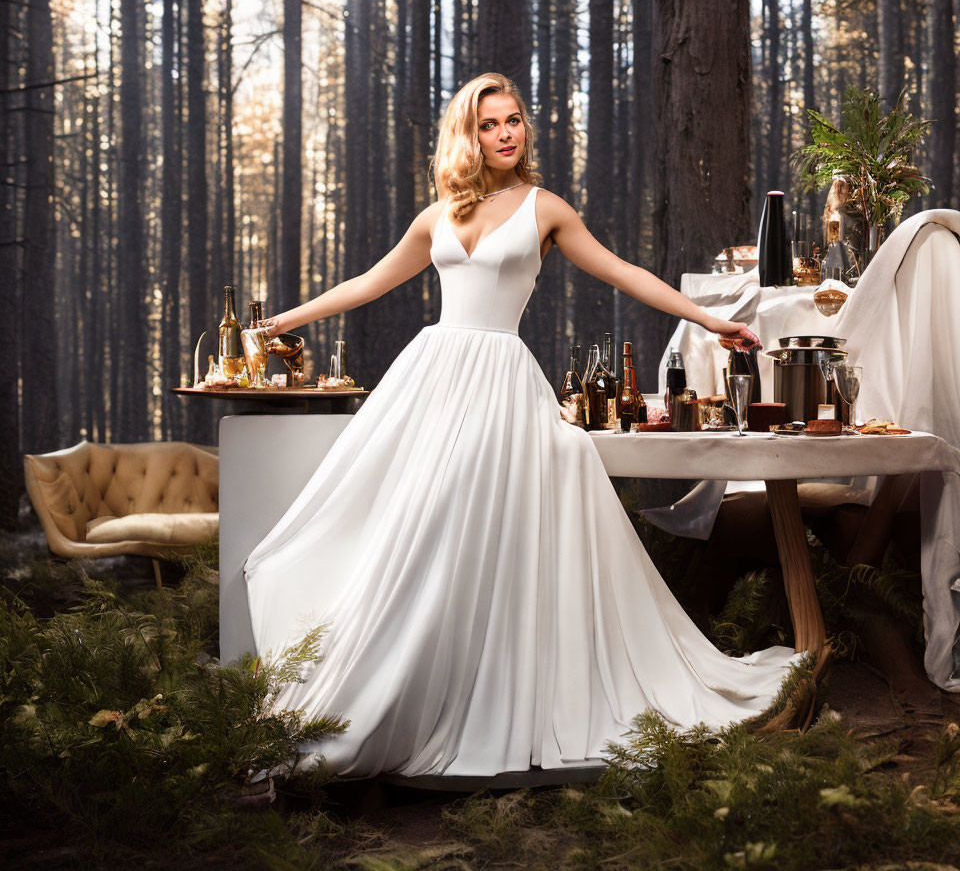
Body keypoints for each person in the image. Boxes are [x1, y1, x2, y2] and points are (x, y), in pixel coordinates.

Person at [244, 72, 803, 779]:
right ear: (467, 134)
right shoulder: (438, 213)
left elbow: (623, 271)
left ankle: (484, 691)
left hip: (501, 378)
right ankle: (393, 686)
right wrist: (287, 320)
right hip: (435, 374)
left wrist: (710, 319)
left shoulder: (545, 209)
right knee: (412, 528)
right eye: (489, 124)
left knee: (467, 521)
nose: (506, 133)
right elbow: (369, 282)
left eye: (513, 121)